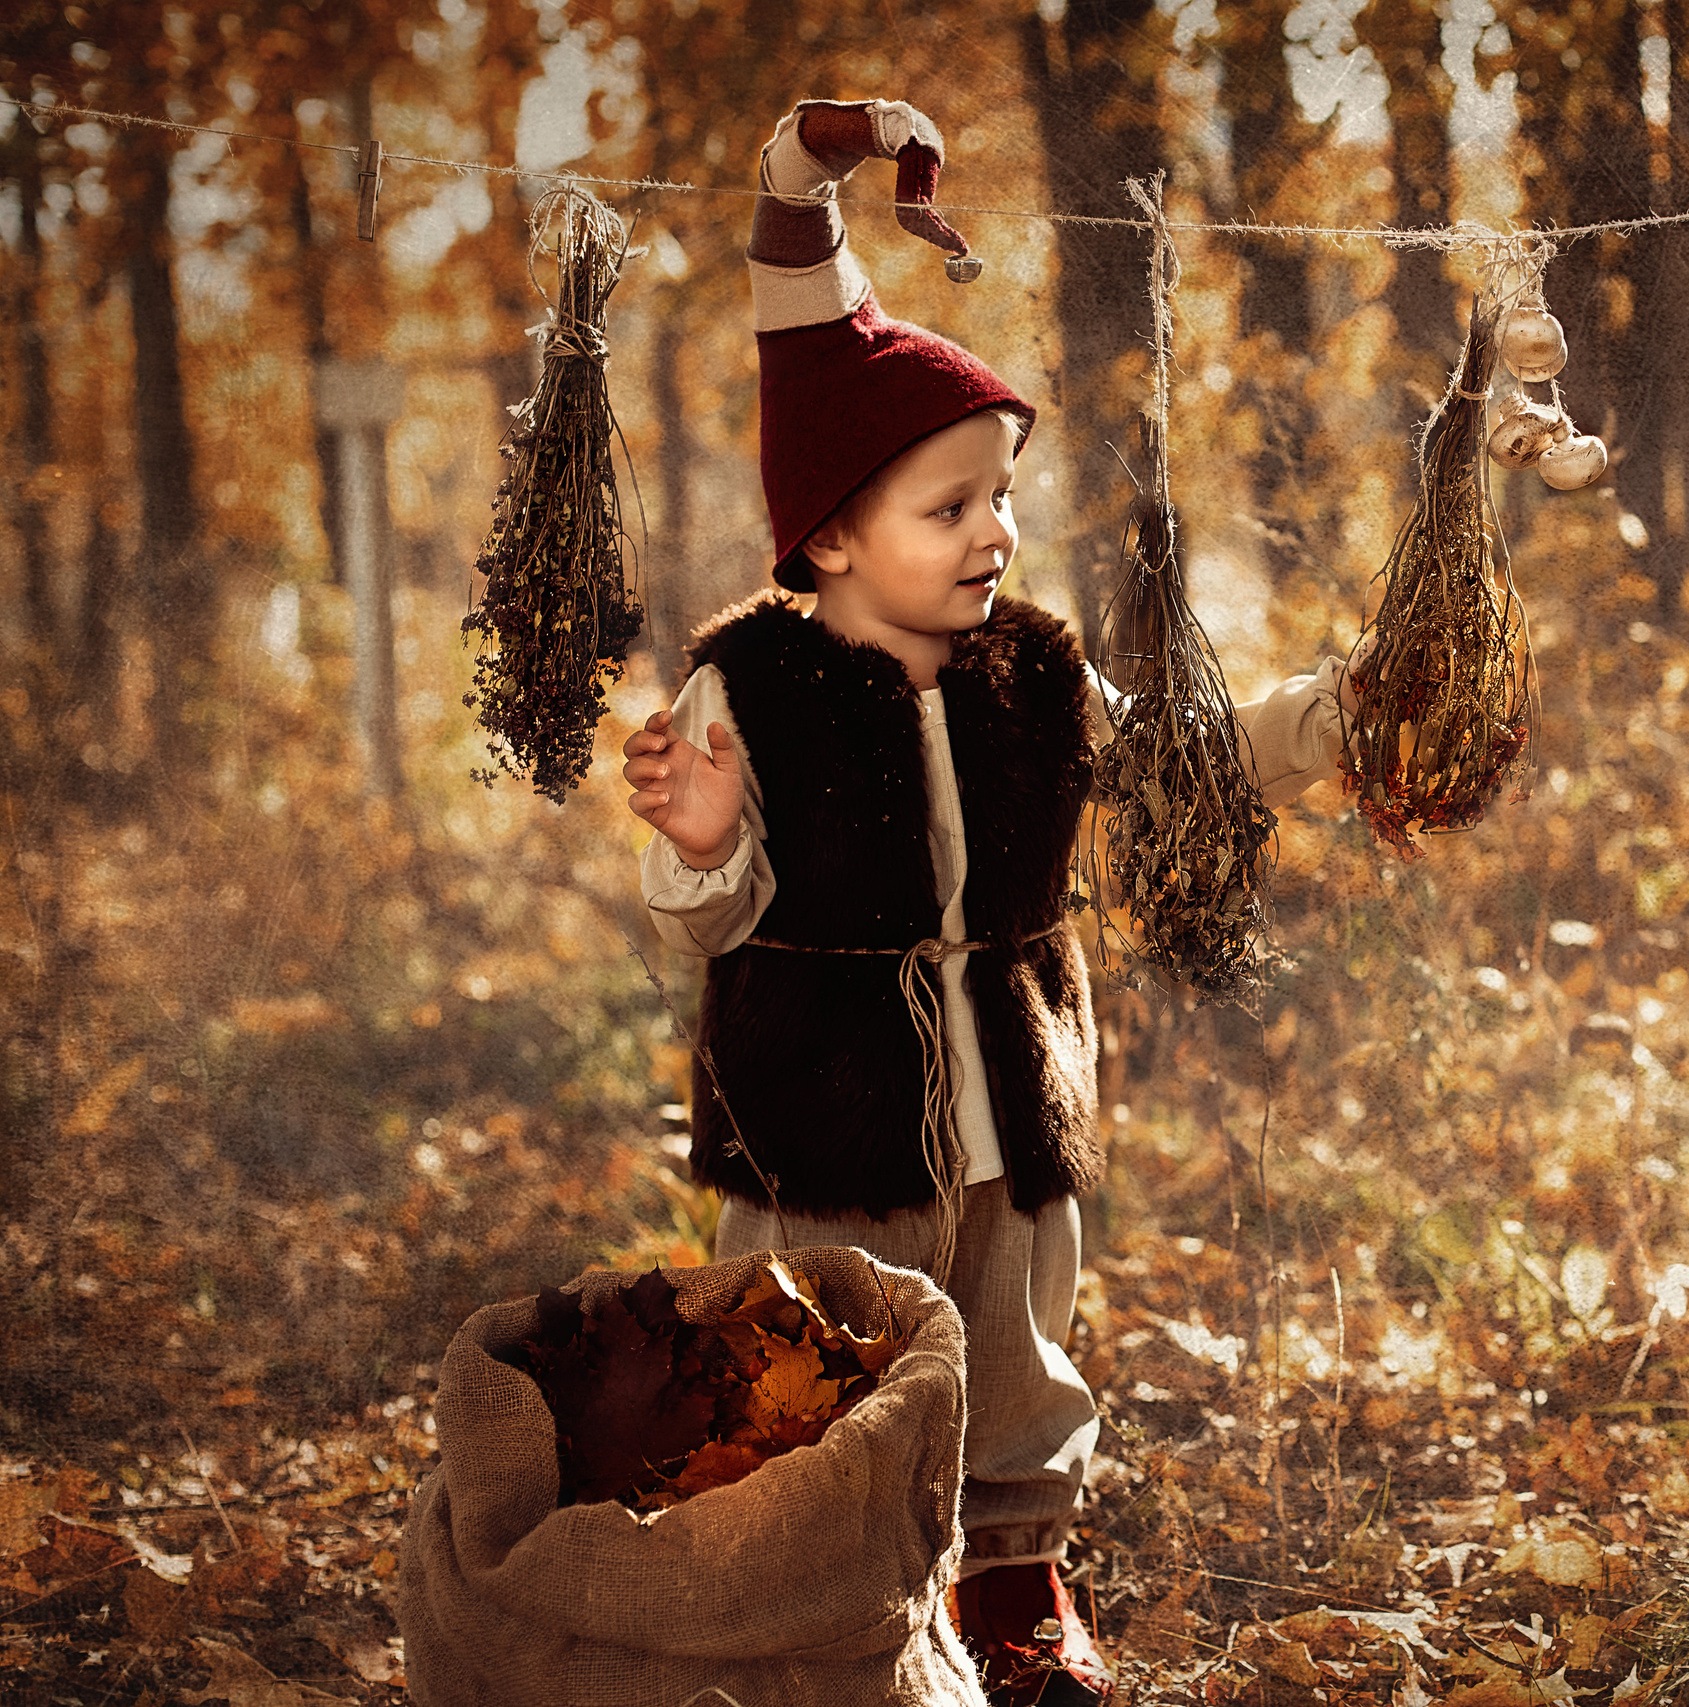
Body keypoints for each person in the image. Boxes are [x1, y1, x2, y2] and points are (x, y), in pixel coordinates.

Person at [620, 99, 1353, 1707]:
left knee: (1016, 1350)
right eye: (945, 507)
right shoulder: (751, 681)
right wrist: (696, 838)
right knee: (827, 1371)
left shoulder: (1034, 665)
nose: (991, 532)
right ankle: (846, 1616)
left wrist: (1339, 718)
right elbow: (702, 920)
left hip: (1015, 1083)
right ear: (828, 536)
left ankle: (1018, 1594)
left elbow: (1178, 772)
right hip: (825, 1108)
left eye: (999, 497)